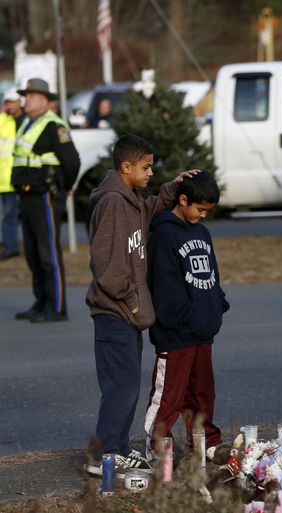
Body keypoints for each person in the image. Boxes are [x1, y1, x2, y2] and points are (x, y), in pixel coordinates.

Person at [84, 133, 198, 478]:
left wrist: (172, 187)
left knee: (127, 385)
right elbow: (106, 266)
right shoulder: (112, 203)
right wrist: (133, 302)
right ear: (126, 166)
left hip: (125, 314)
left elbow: (149, 210)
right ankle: (104, 455)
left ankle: (116, 448)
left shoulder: (130, 199)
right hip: (114, 311)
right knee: (120, 386)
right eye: (146, 168)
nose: (150, 173)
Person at [143, 170, 229, 461]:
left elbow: (212, 275)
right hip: (175, 333)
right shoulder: (163, 234)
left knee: (202, 393)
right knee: (170, 394)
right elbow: (164, 286)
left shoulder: (202, 232)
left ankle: (206, 442)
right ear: (182, 200)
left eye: (207, 211)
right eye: (199, 209)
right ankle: (158, 445)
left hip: (202, 331)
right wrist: (185, 317)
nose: (203, 215)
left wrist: (216, 305)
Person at [12, 78, 80, 322]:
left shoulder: (54, 126)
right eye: (25, 96)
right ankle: (41, 301)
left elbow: (72, 161)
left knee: (48, 253)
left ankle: (57, 307)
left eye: (30, 96)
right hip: (28, 196)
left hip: (46, 197)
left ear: (43, 100)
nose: (26, 100)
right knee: (32, 254)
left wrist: (66, 186)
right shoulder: (27, 123)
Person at [0, 88, 24, 260]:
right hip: (3, 178)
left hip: (14, 178)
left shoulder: (24, 122)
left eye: (11, 102)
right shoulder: (3, 120)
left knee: (11, 215)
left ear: (19, 102)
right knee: (8, 216)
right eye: (6, 102)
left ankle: (11, 247)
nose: (9, 105)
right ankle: (10, 246)